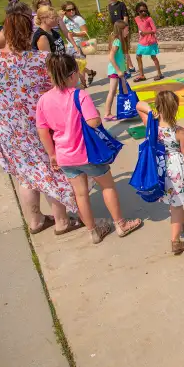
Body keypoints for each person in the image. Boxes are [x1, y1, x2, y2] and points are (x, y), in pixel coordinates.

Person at [0, 7, 81, 235]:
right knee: (50, 170)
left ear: (5, 33)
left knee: (24, 174)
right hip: (38, 128)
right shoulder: (41, 61)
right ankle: (62, 221)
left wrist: (1, 37)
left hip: (6, 130)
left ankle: (36, 221)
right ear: (30, 33)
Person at [36, 54, 144, 243]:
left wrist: (52, 154)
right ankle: (121, 224)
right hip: (87, 153)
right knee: (108, 186)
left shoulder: (43, 100)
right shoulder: (80, 95)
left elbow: (43, 130)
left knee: (80, 194)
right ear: (71, 75)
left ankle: (92, 231)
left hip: (64, 156)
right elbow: (93, 121)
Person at [136, 92, 184, 255]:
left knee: (175, 200)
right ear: (176, 109)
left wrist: (151, 111)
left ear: (157, 107)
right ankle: (175, 241)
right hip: (175, 171)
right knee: (176, 205)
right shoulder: (179, 132)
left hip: (160, 169)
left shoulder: (150, 124)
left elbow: (138, 105)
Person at [60, 1, 96, 87]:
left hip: (80, 44)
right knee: (72, 66)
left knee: (80, 65)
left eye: (73, 9)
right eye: (69, 10)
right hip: (69, 45)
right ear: (65, 11)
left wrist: (75, 34)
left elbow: (85, 32)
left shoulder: (79, 19)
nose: (72, 11)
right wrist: (61, 15)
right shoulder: (64, 19)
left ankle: (83, 85)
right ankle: (90, 72)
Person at [105, 0, 135, 72]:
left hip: (123, 30)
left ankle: (129, 67)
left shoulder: (121, 5)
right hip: (116, 31)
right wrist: (113, 31)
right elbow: (112, 20)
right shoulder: (109, 6)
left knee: (125, 49)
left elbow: (125, 17)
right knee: (120, 50)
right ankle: (129, 66)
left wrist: (124, 29)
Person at [103, 21, 128, 121]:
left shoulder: (120, 41)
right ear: (121, 30)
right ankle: (107, 113)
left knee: (125, 90)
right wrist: (118, 70)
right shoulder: (117, 41)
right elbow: (111, 57)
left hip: (120, 70)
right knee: (112, 91)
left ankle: (128, 109)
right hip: (115, 71)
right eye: (127, 30)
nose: (128, 32)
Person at [132, 2, 163, 82]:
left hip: (150, 40)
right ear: (137, 11)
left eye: (145, 10)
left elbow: (154, 30)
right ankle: (142, 75)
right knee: (138, 56)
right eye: (141, 11)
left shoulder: (149, 19)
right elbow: (140, 27)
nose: (143, 12)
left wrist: (145, 33)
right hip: (142, 41)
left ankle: (159, 73)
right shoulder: (137, 19)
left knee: (153, 57)